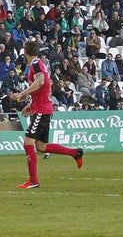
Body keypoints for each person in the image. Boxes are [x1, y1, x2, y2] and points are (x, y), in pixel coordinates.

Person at [10, 40, 82, 188]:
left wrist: (22, 94)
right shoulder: (39, 64)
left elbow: (41, 82)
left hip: (41, 111)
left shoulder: (36, 64)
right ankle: (75, 153)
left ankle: (33, 181)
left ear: (25, 52)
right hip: (41, 108)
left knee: (28, 143)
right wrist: (30, 104)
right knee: (41, 147)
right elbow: (43, 88)